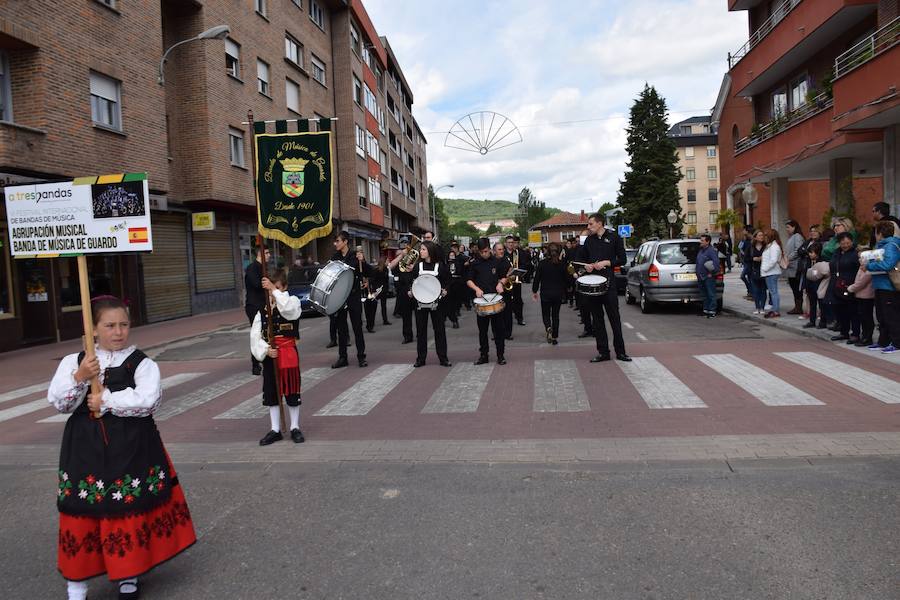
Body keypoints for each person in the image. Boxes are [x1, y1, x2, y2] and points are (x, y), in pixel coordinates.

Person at [49, 297, 196, 600]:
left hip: (130, 448)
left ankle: (127, 575)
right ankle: (76, 585)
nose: (118, 332)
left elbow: (148, 400)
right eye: (109, 325)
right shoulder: (73, 361)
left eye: (123, 325)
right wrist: (80, 377)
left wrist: (107, 400)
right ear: (93, 329)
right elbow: (60, 403)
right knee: (80, 509)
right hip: (84, 448)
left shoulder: (141, 363)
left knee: (125, 507)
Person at [251, 269, 305, 445]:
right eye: (270, 290)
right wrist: (266, 350)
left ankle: (294, 427)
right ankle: (275, 429)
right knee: (272, 393)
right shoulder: (262, 311)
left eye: (278, 288)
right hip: (271, 355)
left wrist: (274, 290)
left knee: (292, 391)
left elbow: (289, 310)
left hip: (288, 353)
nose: (273, 293)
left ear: (285, 287)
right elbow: (255, 336)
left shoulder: (292, 302)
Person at [577, 213, 631, 362]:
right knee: (598, 320)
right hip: (593, 285)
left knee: (615, 319)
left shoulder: (614, 238)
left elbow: (622, 259)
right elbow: (580, 259)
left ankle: (621, 352)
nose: (588, 227)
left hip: (609, 285)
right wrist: (586, 265)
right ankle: (603, 352)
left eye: (591, 224)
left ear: (600, 223)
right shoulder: (589, 240)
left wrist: (607, 262)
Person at [331, 232, 371, 368]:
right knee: (341, 329)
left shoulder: (355, 256)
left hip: (353, 296)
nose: (335, 244)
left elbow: (369, 272)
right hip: (339, 298)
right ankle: (343, 357)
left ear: (345, 242)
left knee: (357, 327)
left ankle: (361, 357)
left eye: (337, 241)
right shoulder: (334, 257)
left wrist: (363, 261)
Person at [467, 237, 509, 365]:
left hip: (495, 299)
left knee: (499, 330)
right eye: (482, 252)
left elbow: (505, 276)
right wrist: (476, 289)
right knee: (483, 331)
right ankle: (483, 355)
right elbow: (469, 280)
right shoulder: (474, 263)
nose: (484, 254)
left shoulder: (497, 262)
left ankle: (500, 355)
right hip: (482, 301)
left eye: (486, 251)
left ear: (490, 249)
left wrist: (501, 283)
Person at [860, 220, 900, 353]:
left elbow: (888, 264)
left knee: (891, 316)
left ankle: (897, 343)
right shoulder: (881, 246)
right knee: (881, 316)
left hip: (889, 286)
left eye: (876, 233)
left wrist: (869, 266)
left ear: (880, 233)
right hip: (880, 284)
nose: (874, 236)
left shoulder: (891, 246)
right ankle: (883, 341)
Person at [411, 241, 451, 367]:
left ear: (430, 251)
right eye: (421, 249)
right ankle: (420, 359)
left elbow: (448, 280)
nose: (421, 252)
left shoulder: (440, 266)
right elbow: (411, 281)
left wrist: (446, 290)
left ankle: (443, 358)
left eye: (423, 249)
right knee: (421, 332)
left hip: (437, 303)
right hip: (420, 303)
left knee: (439, 331)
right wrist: (410, 290)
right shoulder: (417, 267)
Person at [532, 242, 567, 344]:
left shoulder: (542, 264)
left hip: (545, 293)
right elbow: (566, 279)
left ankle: (548, 327)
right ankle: (555, 336)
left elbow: (537, 279)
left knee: (546, 314)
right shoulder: (562, 264)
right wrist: (567, 289)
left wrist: (534, 291)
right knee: (555, 315)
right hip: (558, 293)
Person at [829, 231, 860, 343]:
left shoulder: (855, 254)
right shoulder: (837, 253)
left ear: (852, 242)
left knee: (853, 311)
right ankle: (844, 332)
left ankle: (855, 333)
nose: (845, 245)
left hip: (850, 285)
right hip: (837, 285)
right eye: (843, 243)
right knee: (840, 310)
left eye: (848, 243)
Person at [244, 247, 271, 376]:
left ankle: (264, 358)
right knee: (257, 333)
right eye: (267, 253)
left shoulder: (264, 268)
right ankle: (255, 365)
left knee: (264, 332)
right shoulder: (252, 268)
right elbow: (256, 284)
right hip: (254, 306)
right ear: (260, 254)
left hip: (263, 305)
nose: (269, 255)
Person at [389, 236, 415, 344]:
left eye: (406, 244)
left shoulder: (414, 256)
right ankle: (407, 336)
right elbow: (390, 266)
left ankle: (420, 334)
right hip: (404, 290)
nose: (405, 246)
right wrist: (401, 256)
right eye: (403, 244)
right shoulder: (399, 258)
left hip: (415, 288)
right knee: (406, 315)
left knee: (419, 314)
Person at [847, 254, 875, 347]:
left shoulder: (869, 269)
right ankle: (864, 336)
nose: (859, 259)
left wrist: (851, 288)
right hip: (859, 295)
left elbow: (861, 283)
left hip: (867, 296)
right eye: (859, 257)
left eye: (862, 257)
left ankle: (867, 338)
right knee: (862, 317)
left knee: (867, 318)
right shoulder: (861, 267)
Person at [802, 242, 828, 329]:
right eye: (809, 252)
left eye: (812, 252)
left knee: (822, 305)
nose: (810, 254)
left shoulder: (822, 261)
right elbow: (805, 274)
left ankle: (823, 322)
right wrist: (805, 286)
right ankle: (812, 321)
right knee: (812, 304)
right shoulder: (808, 261)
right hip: (810, 285)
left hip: (820, 285)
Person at [761, 229, 784, 318]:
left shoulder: (774, 247)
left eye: (766, 236)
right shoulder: (771, 246)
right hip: (770, 272)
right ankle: (775, 309)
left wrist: (765, 269)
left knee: (773, 292)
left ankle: (776, 310)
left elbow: (773, 260)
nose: (765, 238)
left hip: (772, 272)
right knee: (773, 291)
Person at [783, 220, 805, 315]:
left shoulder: (797, 237)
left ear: (794, 227)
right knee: (793, 287)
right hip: (790, 266)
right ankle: (797, 306)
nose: (786, 229)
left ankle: (799, 307)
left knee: (796, 287)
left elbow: (798, 250)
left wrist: (788, 258)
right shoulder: (791, 237)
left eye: (788, 227)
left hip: (796, 266)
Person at [363, 257, 390, 332]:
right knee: (373, 307)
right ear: (383, 262)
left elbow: (385, 280)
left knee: (382, 306)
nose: (388, 262)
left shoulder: (385, 269)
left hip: (381, 290)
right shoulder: (377, 270)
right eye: (387, 260)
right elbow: (372, 280)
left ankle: (384, 320)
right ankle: (371, 325)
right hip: (377, 291)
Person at [696, 234, 720, 318]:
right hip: (700, 276)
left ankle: (712, 311)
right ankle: (706, 310)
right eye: (701, 240)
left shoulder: (711, 251)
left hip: (708, 277)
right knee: (704, 294)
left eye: (702, 240)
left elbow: (716, 263)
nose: (700, 242)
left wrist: (712, 273)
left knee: (711, 294)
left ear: (708, 241)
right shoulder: (701, 250)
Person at [495, 242, 515, 341]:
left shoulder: (506, 260)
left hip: (506, 289)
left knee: (507, 312)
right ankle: (497, 333)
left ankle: (508, 333)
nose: (502, 251)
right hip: (495, 290)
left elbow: (511, 272)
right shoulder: (492, 261)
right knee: (497, 313)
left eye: (502, 249)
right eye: (499, 249)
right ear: (494, 251)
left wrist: (511, 275)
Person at [749, 229, 767, 314]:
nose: (761, 237)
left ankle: (762, 307)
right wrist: (753, 259)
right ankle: (757, 307)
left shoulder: (766, 246)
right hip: (754, 271)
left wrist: (763, 259)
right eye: (759, 235)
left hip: (764, 271)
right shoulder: (751, 247)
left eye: (762, 235)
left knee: (763, 290)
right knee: (756, 290)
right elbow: (745, 258)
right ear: (755, 237)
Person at [739, 226, 755, 300]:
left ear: (747, 231)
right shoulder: (745, 240)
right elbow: (741, 248)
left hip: (749, 262)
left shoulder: (751, 240)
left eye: (744, 230)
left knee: (743, 276)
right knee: (749, 277)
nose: (743, 231)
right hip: (745, 261)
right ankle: (750, 292)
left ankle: (752, 292)